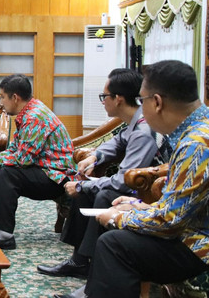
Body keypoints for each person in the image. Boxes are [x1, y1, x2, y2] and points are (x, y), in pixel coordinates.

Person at [56, 60, 209, 298]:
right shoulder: (200, 128)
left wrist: (121, 217)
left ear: (157, 102)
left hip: (199, 246)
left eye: (142, 100)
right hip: (191, 229)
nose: (141, 109)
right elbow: (182, 204)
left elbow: (170, 223)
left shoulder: (195, 145)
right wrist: (139, 205)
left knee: (114, 243)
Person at [37, 69, 171, 279]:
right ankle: (79, 260)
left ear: (118, 99)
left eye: (104, 96)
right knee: (86, 192)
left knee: (102, 194)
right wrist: (95, 156)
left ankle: (93, 265)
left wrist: (82, 185)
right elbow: (118, 141)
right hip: (137, 185)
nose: (103, 101)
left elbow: (122, 182)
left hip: (151, 193)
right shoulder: (136, 122)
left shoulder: (144, 132)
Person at [0, 74, 76, 250]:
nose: (1, 102)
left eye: (2, 97)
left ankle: (5, 234)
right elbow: (15, 150)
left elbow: (23, 159)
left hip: (57, 178)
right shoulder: (29, 112)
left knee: (10, 173)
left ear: (15, 97)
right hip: (43, 170)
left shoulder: (34, 117)